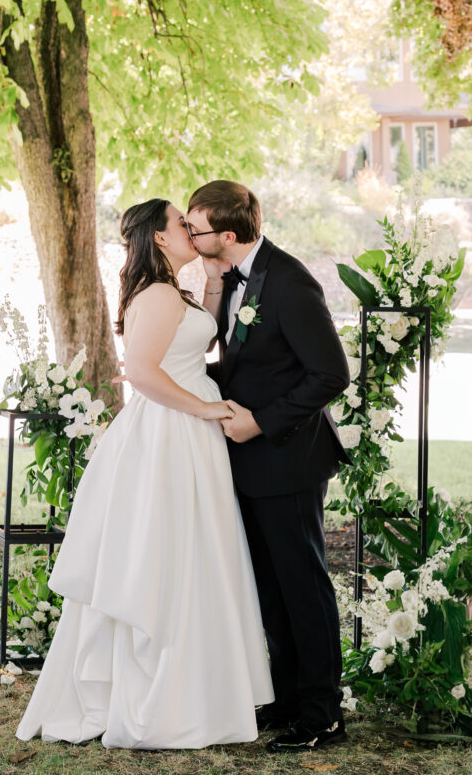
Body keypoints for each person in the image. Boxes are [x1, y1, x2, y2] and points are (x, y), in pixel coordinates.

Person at [15, 198, 273, 750]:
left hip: (187, 434)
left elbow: (193, 342)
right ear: (159, 238)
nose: (190, 228)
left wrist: (208, 282)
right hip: (169, 434)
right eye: (181, 222)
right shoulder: (155, 294)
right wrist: (207, 409)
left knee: (194, 552)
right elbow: (142, 374)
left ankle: (195, 690)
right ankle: (162, 696)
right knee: (169, 554)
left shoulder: (171, 290)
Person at [185, 180, 350, 754]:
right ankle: (287, 697)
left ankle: (323, 711)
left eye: (195, 227)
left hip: (289, 458)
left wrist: (262, 421)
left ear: (227, 235)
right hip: (246, 460)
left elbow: (331, 374)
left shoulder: (289, 281)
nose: (187, 234)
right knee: (270, 587)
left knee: (302, 585)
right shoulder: (227, 277)